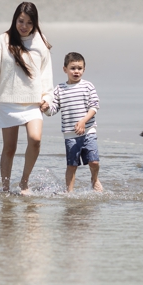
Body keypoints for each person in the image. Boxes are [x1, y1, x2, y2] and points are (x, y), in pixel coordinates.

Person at [0, 2, 54, 195]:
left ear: (35, 24)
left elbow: (46, 73)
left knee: (35, 140)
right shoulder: (3, 40)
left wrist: (47, 96)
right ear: (15, 19)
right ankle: (5, 188)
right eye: (20, 21)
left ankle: (24, 182)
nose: (23, 26)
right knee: (9, 148)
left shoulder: (41, 41)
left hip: (33, 102)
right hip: (8, 102)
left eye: (28, 23)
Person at [45, 52, 101, 193]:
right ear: (65, 69)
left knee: (94, 161)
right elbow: (53, 110)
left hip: (89, 130)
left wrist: (83, 121)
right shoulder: (59, 89)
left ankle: (94, 179)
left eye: (79, 68)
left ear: (84, 69)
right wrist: (45, 108)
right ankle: (69, 192)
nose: (76, 71)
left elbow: (94, 107)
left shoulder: (88, 86)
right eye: (73, 68)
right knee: (72, 165)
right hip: (70, 134)